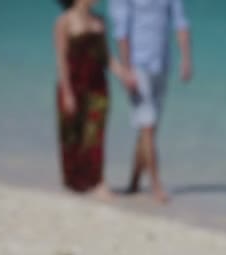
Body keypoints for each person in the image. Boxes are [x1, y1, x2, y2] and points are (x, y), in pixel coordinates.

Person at [109, 0, 193, 203]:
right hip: (137, 65)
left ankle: (134, 183)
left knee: (149, 128)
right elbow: (122, 31)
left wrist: (186, 59)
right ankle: (156, 185)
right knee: (147, 126)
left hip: (162, 63)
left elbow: (180, 22)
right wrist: (126, 70)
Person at [54, 0, 135, 198]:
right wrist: (67, 92)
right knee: (73, 136)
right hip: (73, 85)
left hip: (98, 86)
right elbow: (62, 59)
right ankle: (77, 182)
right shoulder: (63, 22)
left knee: (96, 135)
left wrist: (123, 74)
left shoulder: (100, 20)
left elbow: (105, 57)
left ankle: (99, 182)